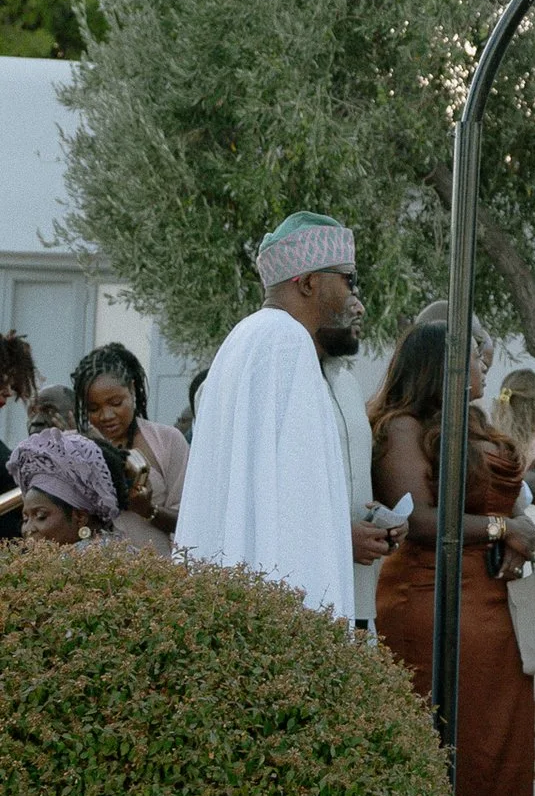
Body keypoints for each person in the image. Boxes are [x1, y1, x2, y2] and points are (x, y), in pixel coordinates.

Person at [369, 319, 535, 796]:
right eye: (472, 359)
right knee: (453, 741)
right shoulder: (402, 427)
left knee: (499, 744)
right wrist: (501, 528)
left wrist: (517, 532)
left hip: (493, 599)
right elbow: (419, 519)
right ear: (441, 368)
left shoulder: (471, 422)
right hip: (433, 597)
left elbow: (506, 501)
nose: (482, 367)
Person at [175, 211, 396, 620]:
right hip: (283, 602)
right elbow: (297, 501)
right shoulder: (285, 342)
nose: (355, 296)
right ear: (310, 281)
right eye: (347, 279)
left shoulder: (246, 337)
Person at [71, 343, 187, 555]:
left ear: (132, 390)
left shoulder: (167, 440)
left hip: (160, 574)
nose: (106, 416)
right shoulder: (78, 446)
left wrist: (147, 509)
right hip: (94, 574)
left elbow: (190, 522)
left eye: (115, 403)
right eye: (93, 409)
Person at [7, 428, 123, 545]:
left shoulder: (95, 559)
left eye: (41, 516)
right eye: (25, 519)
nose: (28, 529)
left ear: (80, 517)